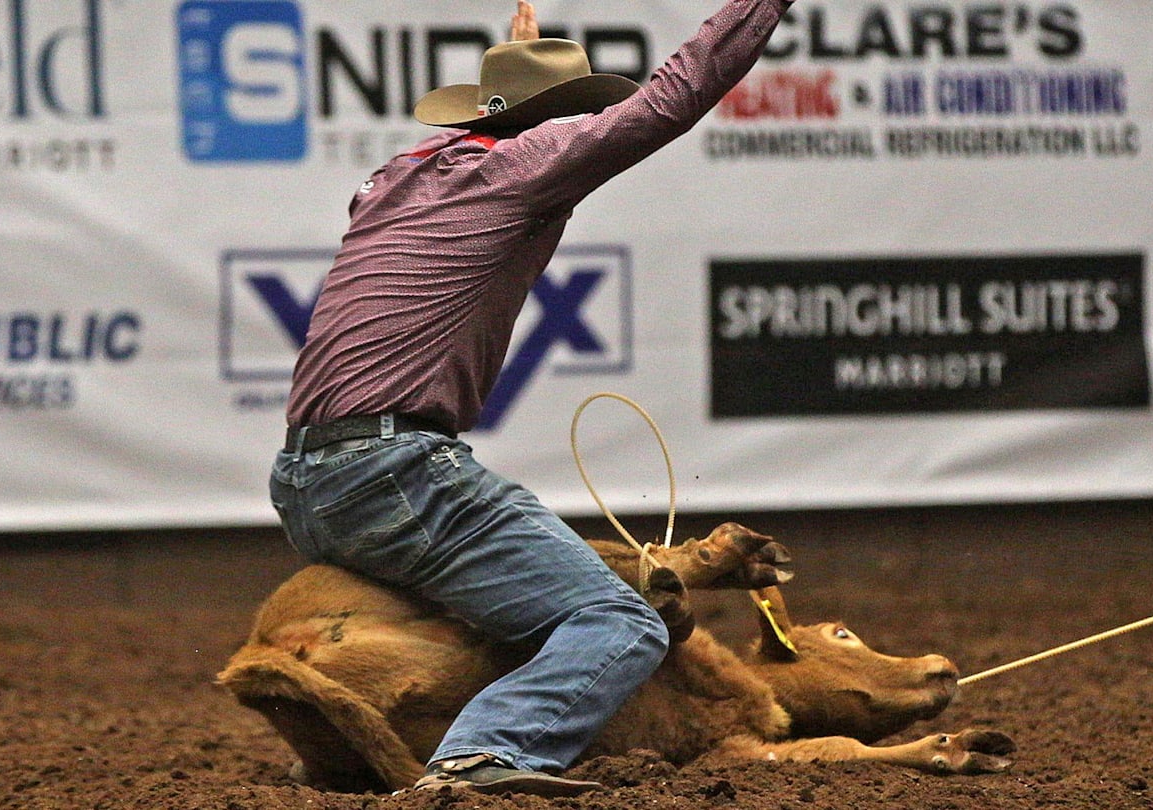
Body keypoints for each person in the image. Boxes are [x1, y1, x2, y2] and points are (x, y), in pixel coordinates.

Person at [271, 0, 793, 797]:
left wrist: (524, 82)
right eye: (575, 118)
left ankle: (377, 749)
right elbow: (674, 96)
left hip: (306, 483)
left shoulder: (397, 177)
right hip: (397, 472)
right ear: (548, 126)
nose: (583, 137)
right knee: (619, 624)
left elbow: (497, 143)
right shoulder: (526, 164)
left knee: (490, 623)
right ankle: (483, 752)